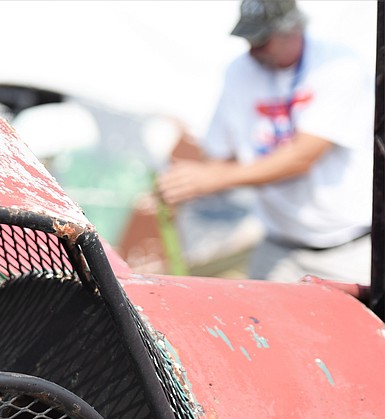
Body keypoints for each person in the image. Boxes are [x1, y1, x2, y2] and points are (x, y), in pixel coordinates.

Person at [156, 0, 373, 285]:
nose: (253, 49)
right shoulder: (239, 71)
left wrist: (213, 179)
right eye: (249, 39)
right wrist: (186, 181)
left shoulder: (339, 66)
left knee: (358, 329)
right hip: (277, 245)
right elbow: (219, 155)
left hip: (347, 250)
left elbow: (303, 157)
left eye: (261, 40)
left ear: (292, 29)